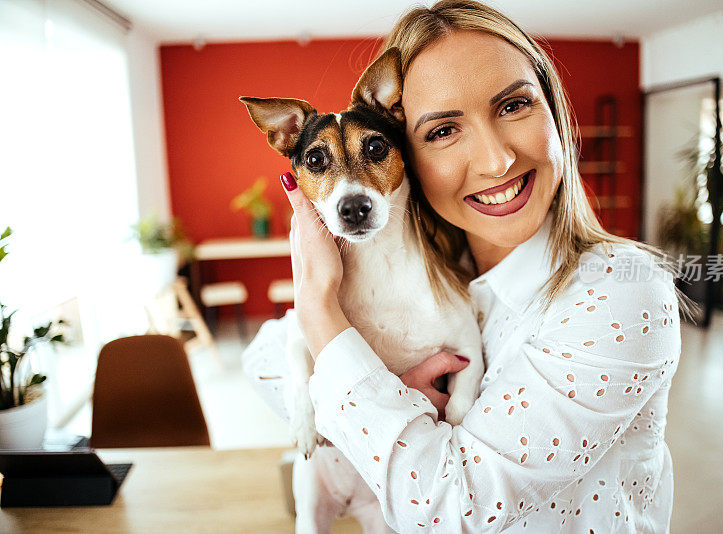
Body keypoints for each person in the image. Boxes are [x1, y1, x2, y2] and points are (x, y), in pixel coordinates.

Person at [243, 1, 681, 532]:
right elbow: (260, 359)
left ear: (555, 112)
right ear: (410, 156)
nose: (496, 160)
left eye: (514, 105)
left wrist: (324, 324)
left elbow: (455, 507)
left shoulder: (621, 292)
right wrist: (367, 390)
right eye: (443, 131)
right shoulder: (440, 266)